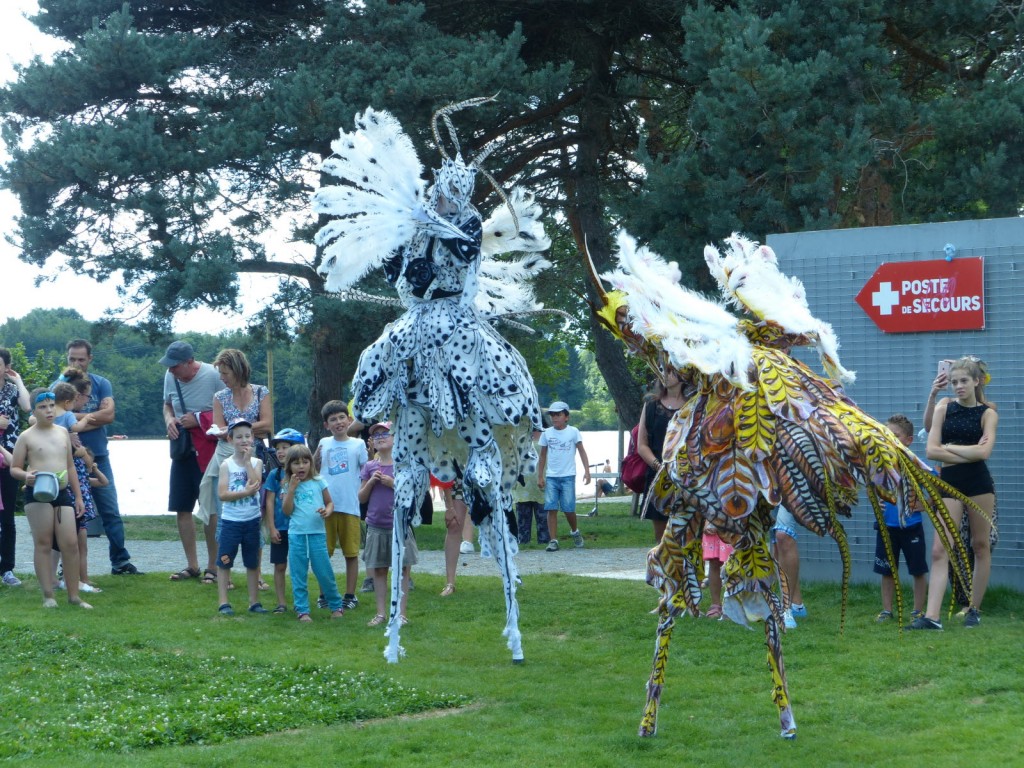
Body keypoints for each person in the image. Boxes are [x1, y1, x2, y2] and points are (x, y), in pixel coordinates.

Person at [910, 356, 997, 630]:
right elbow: (931, 450)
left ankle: (974, 608)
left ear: (976, 381)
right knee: (940, 549)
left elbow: (985, 452)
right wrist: (967, 452)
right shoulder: (943, 408)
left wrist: (951, 448)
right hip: (949, 482)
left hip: (979, 484)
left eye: (963, 381)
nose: (958, 386)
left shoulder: (988, 413)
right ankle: (932, 617)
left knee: (979, 545)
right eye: (955, 381)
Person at [61, 339, 141, 575]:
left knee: (110, 511)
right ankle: (65, 566)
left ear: (90, 359)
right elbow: (51, 419)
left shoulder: (101, 383)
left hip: (98, 457)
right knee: (66, 513)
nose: (76, 363)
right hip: (66, 458)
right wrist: (87, 419)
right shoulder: (59, 386)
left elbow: (109, 416)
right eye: (72, 359)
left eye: (81, 359)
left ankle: (120, 561)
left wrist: (73, 419)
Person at [10, 389, 90, 608]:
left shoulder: (63, 432)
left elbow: (70, 466)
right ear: (34, 410)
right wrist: (26, 475)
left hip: (62, 493)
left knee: (70, 544)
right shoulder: (27, 436)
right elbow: (14, 468)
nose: (48, 410)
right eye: (42, 407)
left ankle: (74, 596)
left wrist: (79, 497)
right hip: (37, 494)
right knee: (44, 543)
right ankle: (48, 595)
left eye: (51, 406)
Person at [205, 348, 274, 588]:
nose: (222, 378)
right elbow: (220, 431)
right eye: (220, 373)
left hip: (255, 459)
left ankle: (257, 575)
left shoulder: (260, 392)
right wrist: (244, 432)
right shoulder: (220, 397)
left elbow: (268, 424)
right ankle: (227, 573)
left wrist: (238, 431)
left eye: (225, 373)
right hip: (227, 459)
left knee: (257, 514)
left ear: (238, 369)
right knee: (226, 517)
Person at [161, 341, 222, 583]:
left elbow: (226, 409)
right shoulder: (170, 376)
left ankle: (213, 567)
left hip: (208, 449)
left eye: (175, 366)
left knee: (210, 509)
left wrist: (198, 419)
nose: (171, 370)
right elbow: (167, 404)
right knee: (182, 507)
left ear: (190, 362)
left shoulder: (213, 375)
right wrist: (169, 420)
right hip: (183, 450)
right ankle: (192, 565)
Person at [359, 421, 417, 626]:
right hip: (376, 525)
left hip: (400, 525)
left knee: (402, 570)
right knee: (380, 570)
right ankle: (381, 613)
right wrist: (372, 482)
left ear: (396, 438)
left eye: (385, 433)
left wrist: (393, 484)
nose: (380, 437)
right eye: (376, 436)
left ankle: (401, 614)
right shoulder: (369, 467)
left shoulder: (403, 465)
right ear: (372, 443)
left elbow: (412, 494)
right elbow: (362, 498)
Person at [874, 414, 929, 622]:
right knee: (886, 570)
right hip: (887, 527)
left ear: (909, 440)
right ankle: (887, 611)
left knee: (918, 569)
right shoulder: (880, 463)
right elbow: (876, 487)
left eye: (895, 435)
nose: (890, 439)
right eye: (886, 435)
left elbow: (937, 494)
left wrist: (919, 506)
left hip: (912, 527)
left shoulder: (916, 465)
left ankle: (917, 610)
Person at [281, 443, 345, 622]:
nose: (301, 466)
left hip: (317, 534)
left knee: (324, 571)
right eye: (296, 463)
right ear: (289, 466)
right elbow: (286, 511)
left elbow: (330, 503)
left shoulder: (319, 482)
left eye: (305, 462)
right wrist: (292, 489)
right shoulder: (287, 485)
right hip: (297, 535)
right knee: (298, 573)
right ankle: (302, 610)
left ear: (311, 463)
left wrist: (328, 511)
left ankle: (336, 606)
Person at [314, 400, 367, 610]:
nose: (338, 422)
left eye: (341, 417)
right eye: (333, 419)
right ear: (326, 424)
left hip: (350, 506)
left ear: (349, 419)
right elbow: (314, 469)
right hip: (326, 506)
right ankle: (323, 594)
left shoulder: (358, 444)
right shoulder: (323, 443)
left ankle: (350, 594)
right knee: (323, 552)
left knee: (351, 552)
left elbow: (365, 472)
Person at [215, 418, 266, 616]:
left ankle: (254, 602)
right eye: (238, 437)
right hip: (231, 522)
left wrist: (247, 463)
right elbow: (223, 494)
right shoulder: (226, 465)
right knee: (225, 560)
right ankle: (223, 602)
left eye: (247, 436)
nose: (244, 440)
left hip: (252, 521)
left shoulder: (257, 462)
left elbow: (256, 485)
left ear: (253, 438)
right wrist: (244, 492)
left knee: (252, 562)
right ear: (230, 440)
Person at [636, 369, 687, 542]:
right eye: (662, 370)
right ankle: (662, 568)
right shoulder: (651, 404)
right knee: (662, 537)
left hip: (687, 476)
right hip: (659, 475)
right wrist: (659, 467)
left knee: (686, 534)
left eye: (671, 370)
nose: (665, 374)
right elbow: (642, 445)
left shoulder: (693, 404)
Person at [537, 401, 591, 552]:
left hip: (568, 475)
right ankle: (553, 540)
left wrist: (587, 471)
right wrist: (540, 476)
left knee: (568, 509)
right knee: (551, 508)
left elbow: (581, 451)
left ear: (566, 417)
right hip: (552, 476)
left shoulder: (573, 432)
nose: (555, 418)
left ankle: (575, 531)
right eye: (553, 415)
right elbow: (542, 456)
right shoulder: (547, 433)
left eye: (558, 415)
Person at [263, 428, 305, 613]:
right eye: (278, 448)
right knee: (279, 565)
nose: (280, 452)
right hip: (280, 527)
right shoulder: (275, 475)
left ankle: (300, 601)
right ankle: (281, 602)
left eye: (285, 447)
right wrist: (271, 528)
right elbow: (269, 502)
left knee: (298, 566)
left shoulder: (304, 475)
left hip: (299, 528)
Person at [1, 347, 31, 586]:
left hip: (9, 456)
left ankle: (7, 569)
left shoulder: (12, 390)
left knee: (7, 515)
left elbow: (27, 407)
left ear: (6, 367)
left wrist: (18, 380)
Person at [514, 430, 550, 549]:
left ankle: (545, 544)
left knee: (544, 520)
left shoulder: (547, 436)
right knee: (522, 522)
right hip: (522, 485)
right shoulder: (517, 435)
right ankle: (523, 545)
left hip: (542, 483)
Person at [772, 506, 807, 629]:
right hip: (770, 487)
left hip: (794, 487)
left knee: (783, 535)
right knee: (776, 541)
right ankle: (797, 604)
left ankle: (785, 608)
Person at [702, 524, 734, 619]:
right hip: (713, 520)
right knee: (714, 561)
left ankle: (733, 605)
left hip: (733, 520)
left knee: (734, 563)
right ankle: (715, 604)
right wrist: (708, 522)